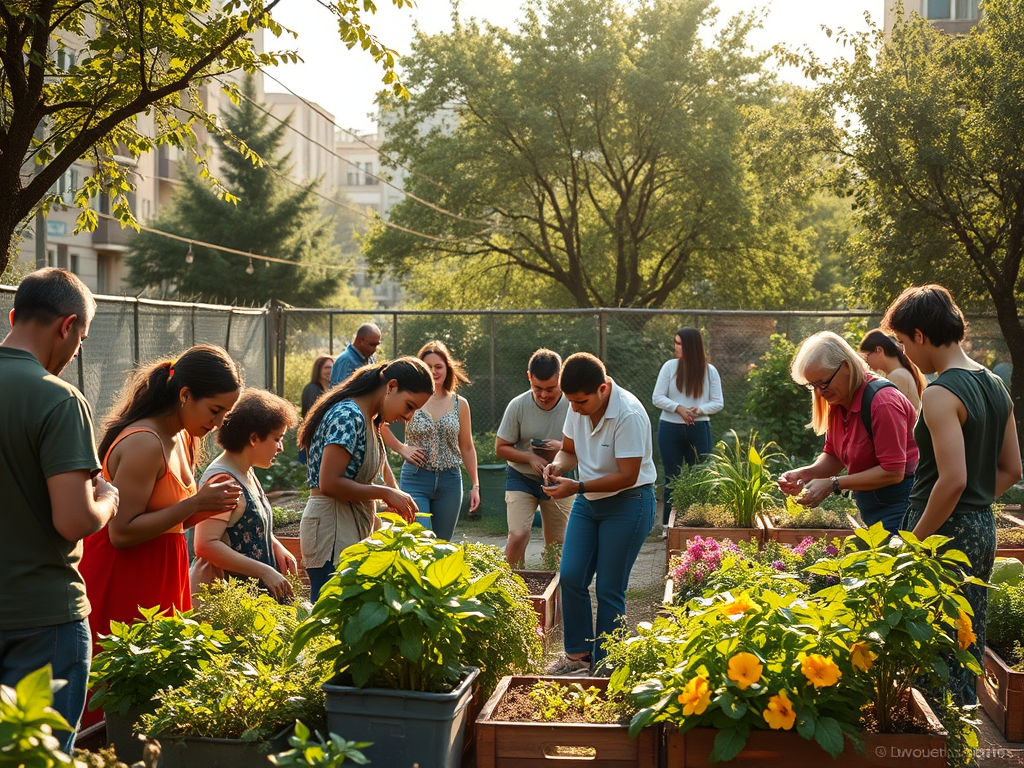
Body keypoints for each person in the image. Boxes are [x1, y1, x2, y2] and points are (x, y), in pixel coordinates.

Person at [78, 344, 243, 727]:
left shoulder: (183, 436)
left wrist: (206, 506)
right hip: (123, 577)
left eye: (226, 413)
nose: (219, 422)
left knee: (156, 689)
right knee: (118, 695)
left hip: (160, 571)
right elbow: (121, 532)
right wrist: (193, 504)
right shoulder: (145, 442)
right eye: (215, 410)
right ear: (185, 395)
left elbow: (167, 523)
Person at [883, 284, 1021, 706]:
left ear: (920, 335)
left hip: (941, 531)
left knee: (933, 644)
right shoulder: (994, 383)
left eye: (903, 342)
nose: (906, 352)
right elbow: (1012, 469)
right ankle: (960, 728)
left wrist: (912, 541)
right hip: (979, 526)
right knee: (966, 635)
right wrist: (975, 505)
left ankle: (936, 734)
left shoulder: (940, 393)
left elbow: (953, 480)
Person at [0, 268, 118, 751]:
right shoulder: (58, 399)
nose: (76, 351)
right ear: (67, 326)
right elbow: (73, 520)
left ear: (14, 318)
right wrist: (107, 500)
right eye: (82, 339)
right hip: (42, 618)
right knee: (35, 757)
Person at [543, 353, 657, 674]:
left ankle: (608, 664)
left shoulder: (629, 414)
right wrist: (557, 467)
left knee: (609, 588)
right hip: (588, 501)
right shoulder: (577, 406)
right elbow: (569, 451)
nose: (575, 408)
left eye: (581, 401)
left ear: (603, 389)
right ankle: (578, 657)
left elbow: (628, 475)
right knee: (571, 576)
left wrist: (576, 486)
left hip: (628, 502)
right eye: (570, 401)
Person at [298, 358, 433, 601]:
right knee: (329, 612)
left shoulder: (370, 419)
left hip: (348, 524)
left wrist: (390, 495)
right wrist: (385, 493)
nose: (409, 417)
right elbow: (329, 482)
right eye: (409, 406)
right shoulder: (348, 415)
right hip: (331, 529)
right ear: (391, 386)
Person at [779, 331, 919, 536]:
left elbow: (893, 471)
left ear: (845, 366)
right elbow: (834, 456)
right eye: (812, 385)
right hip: (873, 505)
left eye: (823, 382)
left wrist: (834, 484)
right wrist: (803, 474)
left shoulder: (883, 403)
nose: (819, 392)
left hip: (900, 506)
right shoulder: (838, 401)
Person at [191, 390, 300, 601]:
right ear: (253, 438)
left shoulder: (245, 470)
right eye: (277, 439)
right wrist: (264, 571)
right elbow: (205, 545)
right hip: (228, 601)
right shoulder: (224, 480)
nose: (280, 447)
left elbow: (249, 524)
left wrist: (275, 545)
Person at [386, 341, 481, 541]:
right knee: (421, 539)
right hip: (416, 478)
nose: (434, 371)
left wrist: (475, 485)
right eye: (427, 367)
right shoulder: (409, 398)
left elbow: (467, 447)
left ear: (447, 368)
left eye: (438, 366)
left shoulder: (460, 404)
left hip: (450, 481)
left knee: (442, 545)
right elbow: (380, 424)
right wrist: (401, 448)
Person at [495, 349, 573, 567]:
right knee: (518, 535)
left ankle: (553, 586)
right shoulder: (518, 405)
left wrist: (560, 447)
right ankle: (508, 580)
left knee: (558, 546)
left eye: (551, 389)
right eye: (537, 388)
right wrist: (529, 457)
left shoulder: (573, 405)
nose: (544, 395)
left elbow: (585, 446)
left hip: (559, 478)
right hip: (522, 477)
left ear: (561, 378)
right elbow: (501, 448)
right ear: (529, 377)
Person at [652, 327, 723, 525]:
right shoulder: (669, 367)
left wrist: (698, 410)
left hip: (699, 430)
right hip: (669, 429)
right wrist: (678, 408)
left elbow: (718, 403)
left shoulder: (710, 371)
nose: (676, 347)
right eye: (675, 342)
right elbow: (657, 397)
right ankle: (668, 526)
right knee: (671, 479)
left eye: (680, 343)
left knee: (700, 479)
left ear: (691, 346)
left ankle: (697, 525)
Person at [859, 328, 926, 412]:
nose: (865, 362)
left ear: (879, 350)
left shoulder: (898, 375)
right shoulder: (900, 372)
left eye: (866, 356)